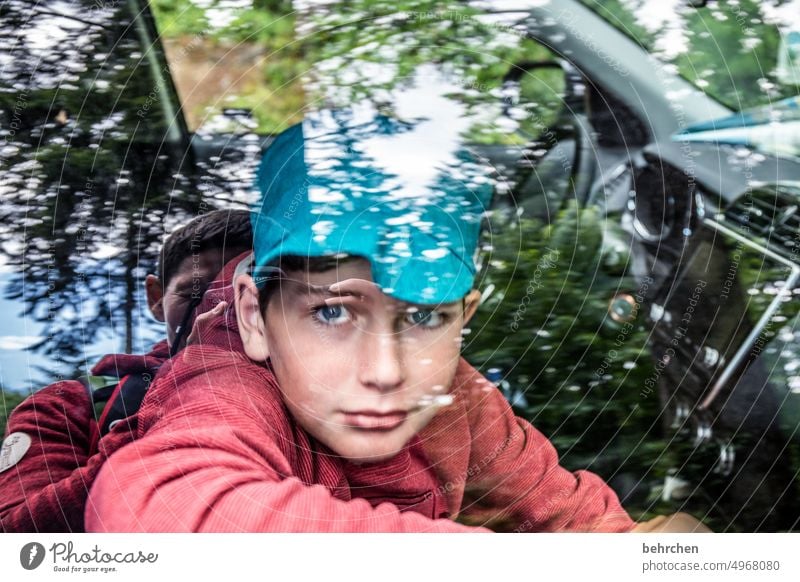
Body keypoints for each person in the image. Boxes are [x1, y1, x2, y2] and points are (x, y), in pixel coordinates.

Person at [85, 112, 709, 532]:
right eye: (331, 311)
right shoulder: (228, 382)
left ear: (464, 318)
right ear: (255, 317)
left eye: (425, 316)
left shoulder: (455, 399)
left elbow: (577, 522)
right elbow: (157, 508)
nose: (385, 372)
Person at [0, 209, 252, 532]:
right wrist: (179, 395)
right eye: (195, 293)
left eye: (247, 288)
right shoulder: (63, 408)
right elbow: (21, 545)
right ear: (156, 298)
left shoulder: (320, 398)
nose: (220, 307)